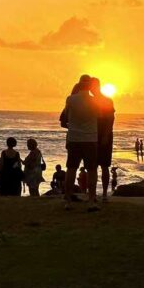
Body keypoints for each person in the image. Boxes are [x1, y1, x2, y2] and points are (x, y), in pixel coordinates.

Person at [60, 74, 99, 209]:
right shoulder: (95, 101)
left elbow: (65, 116)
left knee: (71, 169)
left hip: (74, 138)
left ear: (79, 85)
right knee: (92, 170)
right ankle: (91, 200)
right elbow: (100, 116)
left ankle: (68, 201)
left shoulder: (71, 99)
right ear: (90, 86)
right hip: (90, 139)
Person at [92, 77, 115, 201]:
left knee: (104, 166)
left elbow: (111, 119)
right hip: (92, 135)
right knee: (93, 166)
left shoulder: (106, 100)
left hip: (103, 135)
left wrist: (106, 135)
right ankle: (94, 193)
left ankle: (105, 193)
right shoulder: (90, 101)